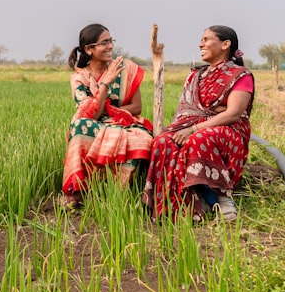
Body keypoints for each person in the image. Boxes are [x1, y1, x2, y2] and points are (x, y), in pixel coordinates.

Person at [142, 25, 254, 222]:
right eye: (201, 39)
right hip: (201, 125)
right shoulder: (196, 75)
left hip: (229, 130)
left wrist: (194, 128)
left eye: (206, 39)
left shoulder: (240, 75)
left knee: (199, 138)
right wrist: (208, 115)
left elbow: (233, 113)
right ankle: (181, 201)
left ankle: (222, 198)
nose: (200, 43)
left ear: (225, 44)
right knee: (163, 142)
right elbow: (189, 110)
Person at [61, 24, 153, 209]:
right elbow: (91, 114)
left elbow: (136, 107)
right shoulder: (80, 78)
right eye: (104, 42)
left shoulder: (126, 68)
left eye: (111, 41)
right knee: (80, 127)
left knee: (139, 138)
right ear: (89, 49)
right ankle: (78, 193)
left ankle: (116, 194)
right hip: (95, 123)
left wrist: (110, 113)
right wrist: (106, 83)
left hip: (126, 122)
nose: (110, 46)